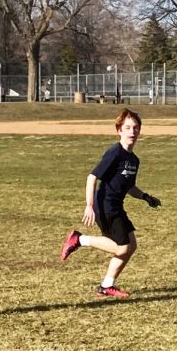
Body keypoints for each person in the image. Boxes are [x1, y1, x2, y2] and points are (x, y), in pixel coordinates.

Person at [60, 108, 161, 298]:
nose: (132, 131)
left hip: (116, 205)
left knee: (130, 245)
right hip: (104, 205)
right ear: (119, 130)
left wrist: (146, 197)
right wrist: (89, 205)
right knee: (122, 247)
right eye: (128, 127)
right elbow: (92, 177)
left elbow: (129, 187)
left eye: (136, 128)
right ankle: (79, 239)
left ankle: (106, 286)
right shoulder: (114, 152)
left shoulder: (133, 160)